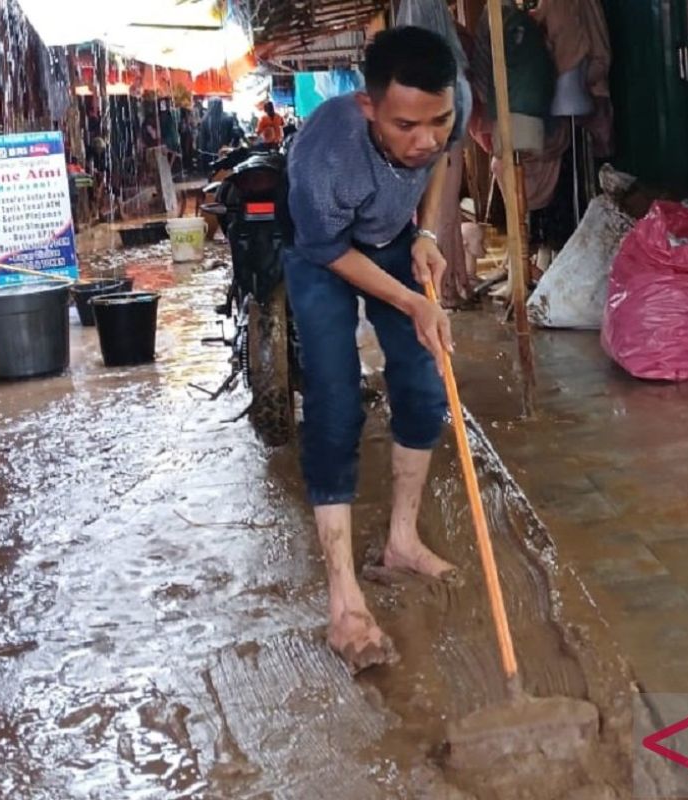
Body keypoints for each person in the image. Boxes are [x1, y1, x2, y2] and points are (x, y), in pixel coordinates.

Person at [284, 26, 463, 672]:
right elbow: (331, 251)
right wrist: (412, 301)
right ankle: (344, 600)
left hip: (392, 239)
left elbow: (445, 158)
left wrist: (428, 233)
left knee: (423, 384)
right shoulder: (326, 157)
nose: (424, 139)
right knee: (335, 399)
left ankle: (402, 542)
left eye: (436, 120)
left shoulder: (447, 107)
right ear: (368, 107)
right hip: (320, 252)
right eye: (405, 126)